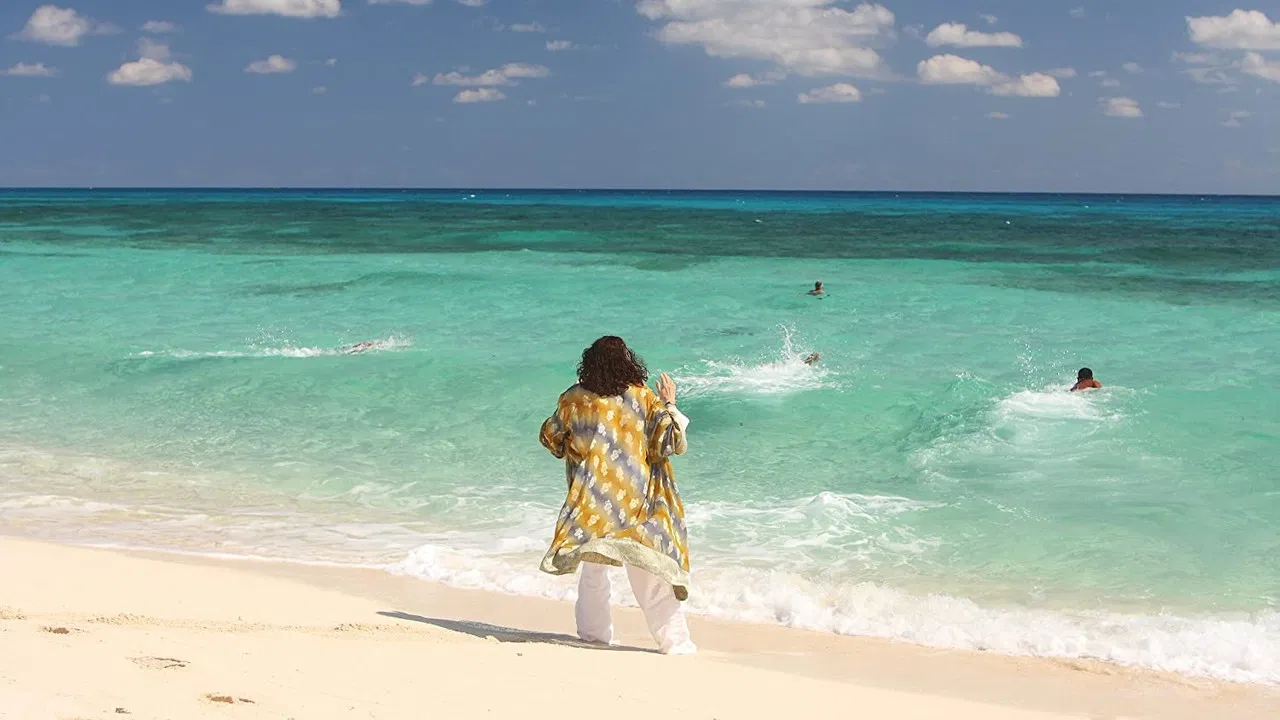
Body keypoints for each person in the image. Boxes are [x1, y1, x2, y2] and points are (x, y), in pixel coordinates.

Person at [538, 336, 696, 655]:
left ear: (589, 363)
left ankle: (594, 634)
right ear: (628, 361)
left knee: (594, 568)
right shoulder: (642, 397)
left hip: (594, 501)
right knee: (649, 574)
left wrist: (579, 448)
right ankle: (676, 644)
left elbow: (550, 437)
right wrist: (669, 403)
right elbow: (670, 442)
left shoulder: (574, 399)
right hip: (637, 502)